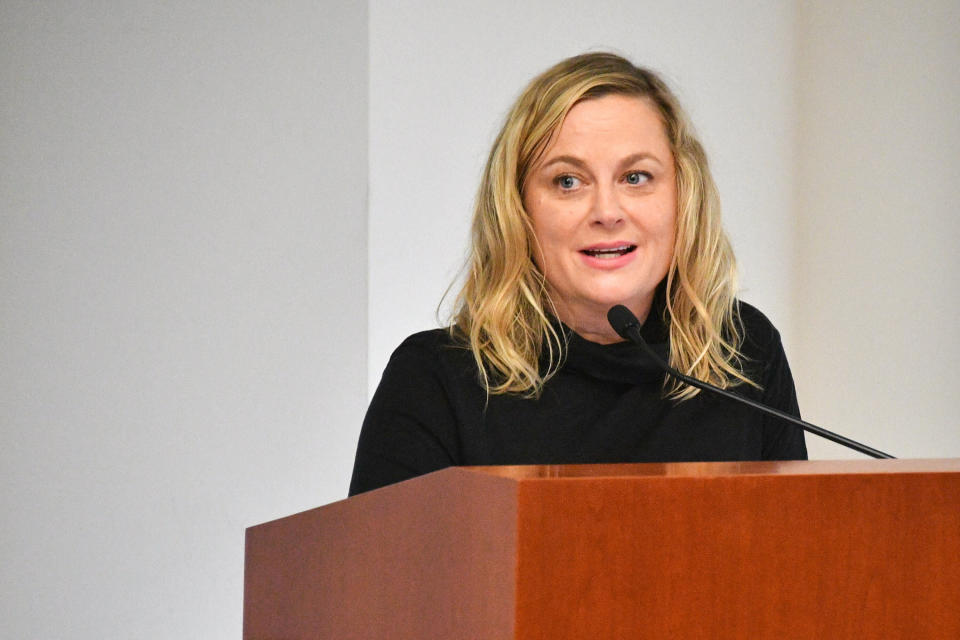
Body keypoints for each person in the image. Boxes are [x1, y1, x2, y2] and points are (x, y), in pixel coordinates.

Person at [349, 52, 806, 496]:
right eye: (568, 181)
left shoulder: (742, 353)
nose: (607, 212)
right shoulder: (435, 382)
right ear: (517, 210)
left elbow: (802, 560)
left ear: (684, 198)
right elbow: (383, 573)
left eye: (636, 177)